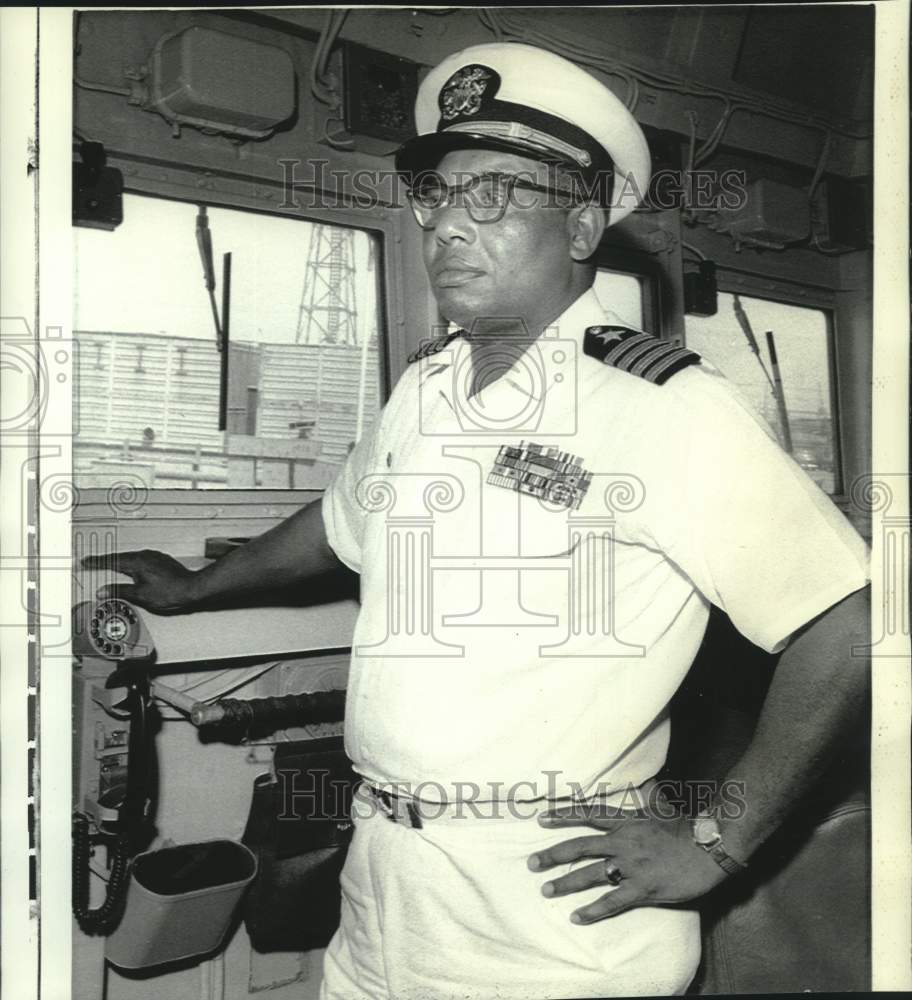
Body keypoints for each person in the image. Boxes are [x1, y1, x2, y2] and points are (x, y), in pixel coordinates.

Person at [84, 42, 870, 1000]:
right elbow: (339, 522)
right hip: (381, 892)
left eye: (495, 193)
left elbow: (846, 620)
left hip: (551, 921)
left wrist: (721, 839)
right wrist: (201, 589)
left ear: (582, 225)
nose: (451, 223)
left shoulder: (663, 408)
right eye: (438, 193)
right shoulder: (428, 388)